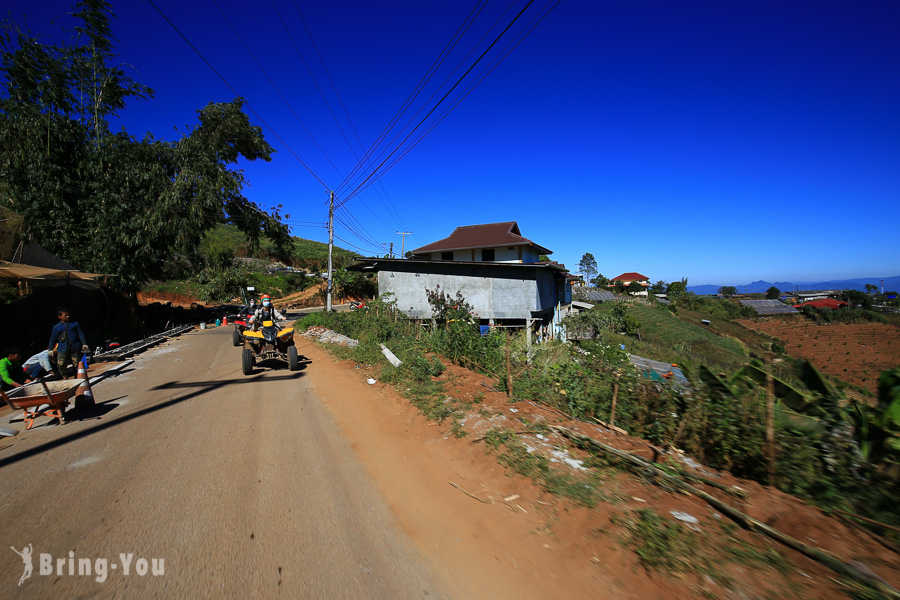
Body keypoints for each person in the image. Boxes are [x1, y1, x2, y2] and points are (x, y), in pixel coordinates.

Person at [48, 308, 90, 378]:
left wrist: (84, 343)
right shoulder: (56, 327)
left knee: (77, 363)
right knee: (61, 364)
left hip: (75, 346)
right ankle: (65, 377)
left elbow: (81, 334)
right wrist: (50, 349)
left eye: (68, 315)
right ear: (60, 317)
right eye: (65, 315)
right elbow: (52, 338)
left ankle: (77, 377)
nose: (68, 317)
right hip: (63, 348)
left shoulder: (74, 324)